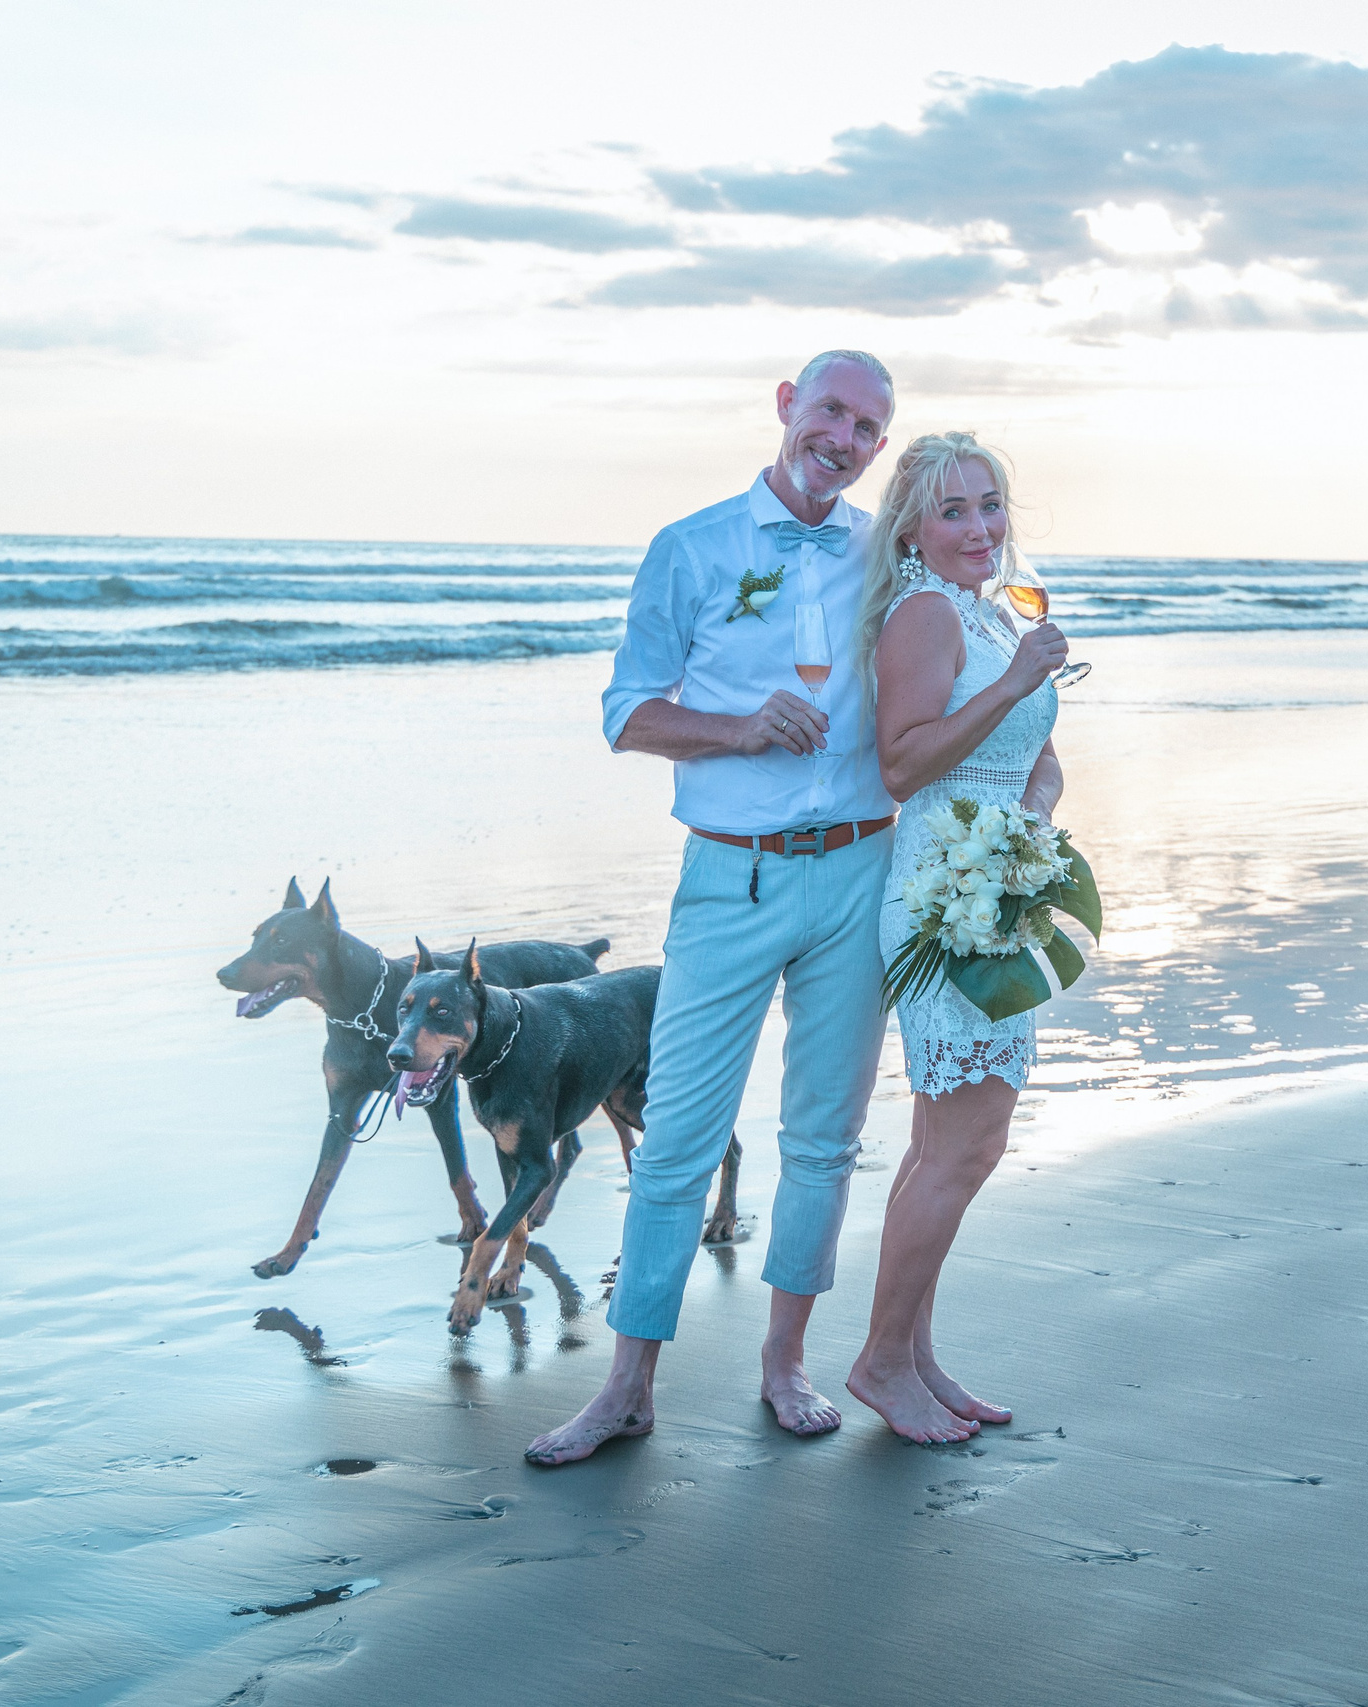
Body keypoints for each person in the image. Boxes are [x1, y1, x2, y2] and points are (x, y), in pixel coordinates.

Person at [527, 350, 899, 1466]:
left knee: (824, 1137)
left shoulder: (890, 551)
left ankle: (785, 1366)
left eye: (867, 427)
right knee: (678, 1137)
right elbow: (626, 713)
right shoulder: (690, 548)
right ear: (787, 406)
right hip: (729, 878)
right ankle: (625, 1388)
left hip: (862, 871)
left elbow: (947, 663)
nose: (843, 438)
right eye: (829, 411)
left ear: (881, 445)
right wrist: (736, 730)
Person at [846, 433, 1070, 1443]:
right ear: (912, 530)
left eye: (989, 503)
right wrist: (1015, 679)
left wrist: (1031, 830)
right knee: (968, 1144)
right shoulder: (927, 615)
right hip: (945, 894)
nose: (980, 526)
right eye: (953, 510)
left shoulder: (986, 612)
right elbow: (902, 765)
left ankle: (913, 1352)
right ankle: (881, 1361)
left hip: (993, 882)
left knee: (945, 1141)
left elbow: (1039, 758)